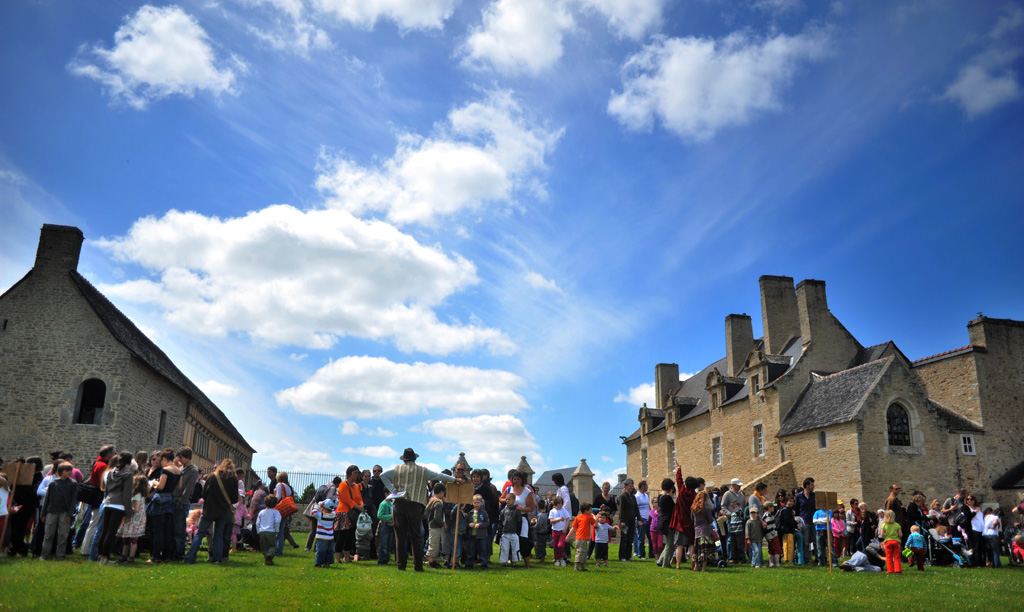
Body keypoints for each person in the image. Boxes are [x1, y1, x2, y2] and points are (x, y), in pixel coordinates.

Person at [380, 448, 458, 572]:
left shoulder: (397, 469)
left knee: (400, 537)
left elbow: (382, 475)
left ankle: (401, 565)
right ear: (415, 458)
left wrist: (392, 489)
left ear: (404, 459)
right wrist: (454, 480)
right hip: (415, 505)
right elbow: (439, 475)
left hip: (399, 504)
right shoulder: (423, 471)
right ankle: (418, 566)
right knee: (416, 536)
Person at [184, 458, 239, 565]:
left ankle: (190, 558)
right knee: (218, 535)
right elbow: (234, 499)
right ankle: (217, 559)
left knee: (200, 533)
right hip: (223, 510)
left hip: (210, 509)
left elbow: (204, 494)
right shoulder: (233, 479)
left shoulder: (212, 476)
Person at [96, 452, 133, 564]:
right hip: (119, 504)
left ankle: (100, 555)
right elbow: (127, 494)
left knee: (104, 531)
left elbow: (107, 490)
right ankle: (105, 557)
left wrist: (107, 499)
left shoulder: (110, 472)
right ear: (129, 461)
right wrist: (129, 511)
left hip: (108, 502)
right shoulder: (128, 474)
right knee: (111, 532)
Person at [39, 462, 77, 561]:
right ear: (60, 471)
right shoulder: (53, 483)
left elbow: (73, 500)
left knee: (63, 535)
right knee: (48, 535)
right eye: (66, 470)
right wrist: (43, 514)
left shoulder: (73, 484)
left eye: (70, 470)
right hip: (51, 511)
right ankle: (45, 555)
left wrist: (70, 513)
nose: (69, 472)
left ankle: (60, 555)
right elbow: (47, 499)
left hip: (65, 512)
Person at [148, 449, 180, 563]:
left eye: (161, 461)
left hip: (161, 499)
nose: (161, 464)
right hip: (170, 499)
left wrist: (155, 482)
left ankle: (156, 555)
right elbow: (179, 486)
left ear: (165, 459)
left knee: (158, 530)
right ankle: (167, 555)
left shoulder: (166, 470)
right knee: (167, 530)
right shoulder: (178, 470)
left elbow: (160, 487)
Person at [173, 447, 199, 560]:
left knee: (180, 530)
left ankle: (179, 553)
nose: (180, 459)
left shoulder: (193, 470)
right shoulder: (182, 468)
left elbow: (189, 489)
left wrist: (181, 501)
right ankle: (174, 551)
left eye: (181, 457)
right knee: (175, 529)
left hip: (182, 502)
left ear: (187, 457)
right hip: (175, 500)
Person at [670, 463, 697, 570]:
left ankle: (678, 565)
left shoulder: (681, 491)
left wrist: (679, 468)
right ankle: (692, 565)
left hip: (680, 523)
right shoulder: (695, 495)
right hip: (690, 522)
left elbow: (679, 480)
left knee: (679, 546)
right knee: (691, 546)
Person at [507, 470, 537, 568]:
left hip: (522, 517)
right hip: (510, 518)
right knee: (510, 538)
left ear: (521, 480)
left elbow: (531, 507)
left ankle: (527, 563)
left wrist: (522, 508)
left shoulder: (527, 491)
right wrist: (509, 501)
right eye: (514, 479)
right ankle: (512, 562)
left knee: (523, 540)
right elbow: (501, 498)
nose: (516, 481)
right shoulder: (509, 489)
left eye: (518, 479)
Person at [116, 475, 148, 563]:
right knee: (126, 538)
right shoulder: (142, 495)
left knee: (132, 539)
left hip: (133, 520)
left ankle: (130, 557)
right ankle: (124, 556)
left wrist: (127, 510)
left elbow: (136, 509)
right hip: (137, 520)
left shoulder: (137, 495)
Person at [691, 489, 717, 571]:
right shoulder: (707, 508)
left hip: (697, 531)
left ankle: (696, 566)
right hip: (705, 530)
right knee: (704, 550)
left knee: (697, 550)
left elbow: (691, 519)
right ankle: (703, 568)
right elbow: (710, 520)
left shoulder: (693, 508)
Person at [568, 501, 596, 572]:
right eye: (590, 509)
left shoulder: (579, 517)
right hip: (581, 537)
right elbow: (596, 523)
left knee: (583, 552)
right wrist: (594, 517)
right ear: (586, 510)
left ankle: (583, 566)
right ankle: (576, 566)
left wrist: (568, 536)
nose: (591, 511)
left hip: (580, 538)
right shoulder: (588, 517)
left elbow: (573, 528)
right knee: (580, 552)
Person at [464, 494, 491, 569]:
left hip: (482, 535)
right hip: (472, 535)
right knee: (471, 550)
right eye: (474, 502)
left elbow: (487, 523)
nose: (476, 504)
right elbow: (466, 523)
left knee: (483, 550)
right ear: (472, 503)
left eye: (478, 502)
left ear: (481, 503)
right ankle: (469, 564)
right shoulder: (470, 513)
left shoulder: (484, 513)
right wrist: (469, 524)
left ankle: (484, 564)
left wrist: (480, 525)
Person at [273, 472, 297, 557]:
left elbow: (278, 497)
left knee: (276, 530)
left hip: (279, 509)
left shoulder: (279, 485)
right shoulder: (289, 487)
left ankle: (276, 549)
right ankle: (279, 549)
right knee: (281, 531)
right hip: (285, 510)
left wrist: (272, 502)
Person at [795, 477, 816, 565]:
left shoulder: (813, 495)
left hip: (814, 521)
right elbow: (796, 508)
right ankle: (806, 559)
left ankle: (817, 559)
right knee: (806, 541)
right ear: (807, 485)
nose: (813, 486)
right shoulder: (799, 496)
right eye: (812, 484)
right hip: (804, 521)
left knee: (815, 541)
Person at [656, 478, 677, 568]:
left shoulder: (659, 496)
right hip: (668, 522)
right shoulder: (667, 497)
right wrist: (672, 496)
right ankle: (666, 563)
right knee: (670, 544)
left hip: (663, 521)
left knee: (668, 543)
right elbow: (674, 508)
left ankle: (661, 560)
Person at [425, 483, 447, 569]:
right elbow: (437, 518)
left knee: (436, 544)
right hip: (435, 526)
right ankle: (430, 561)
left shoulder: (433, 500)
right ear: (442, 492)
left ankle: (434, 560)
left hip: (433, 525)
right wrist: (443, 524)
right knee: (433, 544)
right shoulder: (438, 503)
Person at [498, 491, 522, 567]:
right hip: (505, 532)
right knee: (504, 548)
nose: (507, 501)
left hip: (514, 532)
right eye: (507, 499)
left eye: (509, 499)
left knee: (515, 548)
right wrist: (501, 531)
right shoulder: (503, 511)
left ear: (514, 500)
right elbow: (501, 521)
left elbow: (519, 522)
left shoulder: (517, 511)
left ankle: (514, 562)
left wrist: (518, 532)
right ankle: (505, 561)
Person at [312, 498, 337, 568]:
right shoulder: (333, 515)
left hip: (321, 536)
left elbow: (313, 513)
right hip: (330, 537)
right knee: (329, 551)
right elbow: (335, 510)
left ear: (324, 508)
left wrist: (318, 506)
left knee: (320, 551)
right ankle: (327, 563)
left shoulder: (321, 516)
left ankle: (318, 564)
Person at [257, 495, 281, 566]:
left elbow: (258, 522)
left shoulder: (261, 512)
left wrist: (258, 530)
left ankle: (267, 559)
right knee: (272, 546)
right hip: (271, 531)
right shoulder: (276, 512)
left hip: (262, 531)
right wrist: (276, 529)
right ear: (275, 503)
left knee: (264, 547)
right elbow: (277, 521)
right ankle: (270, 555)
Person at [549, 495, 571, 567]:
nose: (560, 505)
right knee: (555, 546)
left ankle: (562, 558)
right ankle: (557, 559)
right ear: (556, 504)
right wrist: (559, 519)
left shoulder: (564, 510)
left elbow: (568, 519)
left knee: (561, 545)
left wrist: (565, 528)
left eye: (561, 503)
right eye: (559, 503)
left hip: (562, 531)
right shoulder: (552, 511)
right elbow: (551, 520)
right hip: (555, 530)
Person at [634, 480, 653, 559]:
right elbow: (636, 509)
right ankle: (641, 554)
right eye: (646, 485)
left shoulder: (646, 496)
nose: (647, 487)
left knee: (650, 537)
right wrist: (638, 519)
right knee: (641, 538)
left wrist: (651, 515)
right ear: (642, 486)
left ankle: (651, 554)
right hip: (641, 519)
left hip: (648, 519)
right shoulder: (637, 496)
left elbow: (648, 506)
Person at [880, 509, 902, 573]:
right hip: (896, 541)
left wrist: (886, 534)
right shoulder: (897, 525)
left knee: (889, 557)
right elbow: (900, 535)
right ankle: (898, 569)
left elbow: (881, 534)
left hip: (888, 542)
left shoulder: (884, 525)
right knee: (897, 557)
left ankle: (890, 570)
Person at [376, 493, 395, 565]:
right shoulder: (383, 504)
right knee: (383, 544)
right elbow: (379, 515)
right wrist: (390, 516)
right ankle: (381, 560)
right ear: (386, 494)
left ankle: (386, 559)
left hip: (391, 525)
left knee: (389, 544)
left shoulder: (391, 504)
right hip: (384, 525)